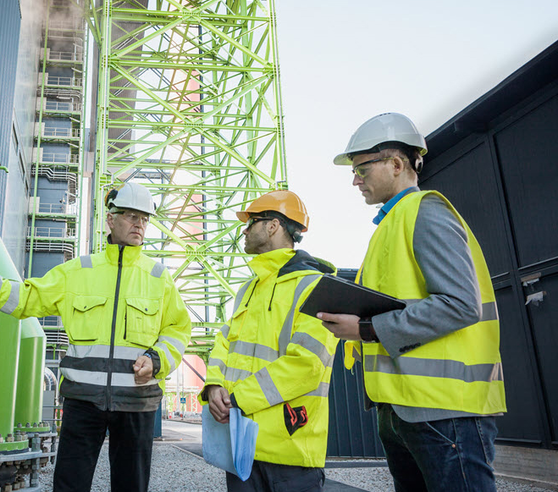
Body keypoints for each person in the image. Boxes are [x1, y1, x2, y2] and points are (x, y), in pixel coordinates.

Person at [0, 181, 191, 492]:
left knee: (132, 486)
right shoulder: (78, 271)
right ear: (111, 219)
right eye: (131, 216)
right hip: (84, 402)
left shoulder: (159, 278)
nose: (139, 224)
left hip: (137, 402)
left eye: (145, 218)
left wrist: (157, 358)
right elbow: (27, 298)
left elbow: (177, 329)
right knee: (70, 485)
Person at [319, 112, 506, 492]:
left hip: (445, 411)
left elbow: (459, 304)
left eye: (361, 170)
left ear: (397, 164)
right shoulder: (390, 225)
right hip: (401, 409)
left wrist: (365, 329)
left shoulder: (426, 212)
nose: (355, 180)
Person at [201, 190, 337, 492]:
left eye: (251, 223)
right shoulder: (248, 289)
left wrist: (236, 398)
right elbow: (225, 342)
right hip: (242, 445)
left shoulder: (315, 286)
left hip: (290, 450)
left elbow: (306, 365)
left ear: (273, 226)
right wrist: (214, 384)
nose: (245, 231)